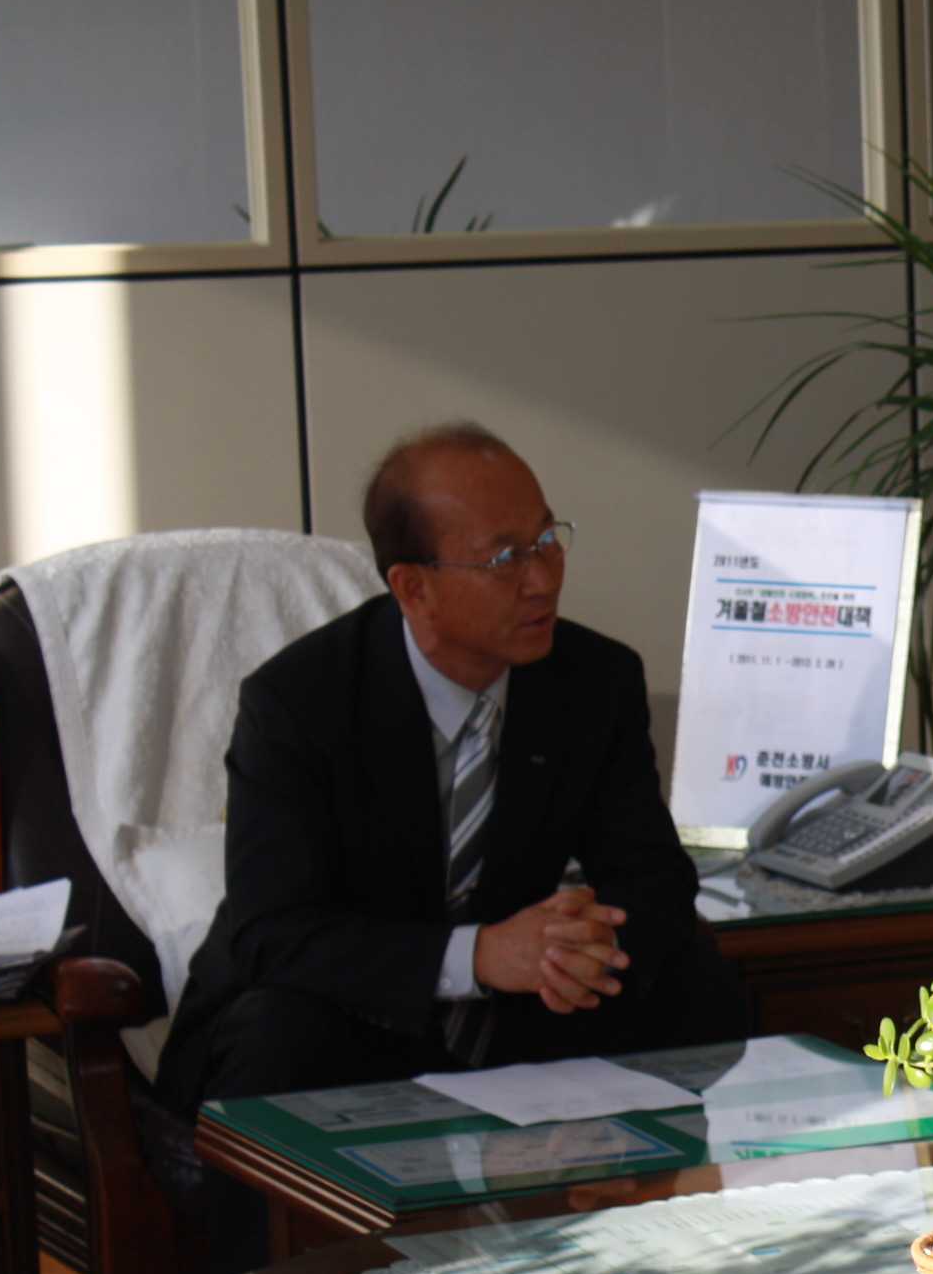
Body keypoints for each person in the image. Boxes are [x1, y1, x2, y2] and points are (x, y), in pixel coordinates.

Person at [159, 422, 744, 1151]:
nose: (543, 578)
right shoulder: (299, 702)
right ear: (414, 588)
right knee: (284, 1033)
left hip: (520, 1012)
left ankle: (688, 1205)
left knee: (695, 982)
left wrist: (579, 946)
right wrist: (477, 956)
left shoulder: (595, 681)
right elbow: (272, 934)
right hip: (348, 1014)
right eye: (505, 559)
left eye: (546, 540)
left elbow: (655, 881)